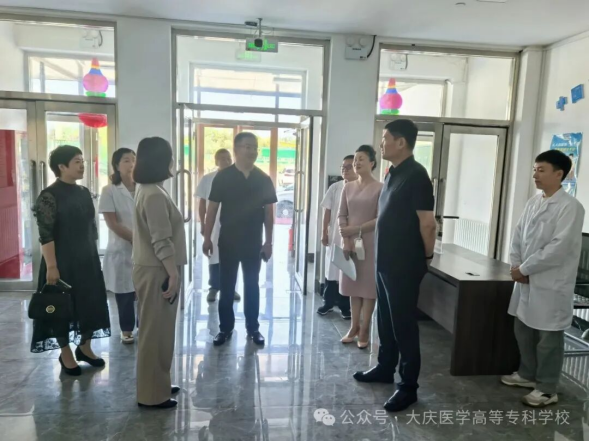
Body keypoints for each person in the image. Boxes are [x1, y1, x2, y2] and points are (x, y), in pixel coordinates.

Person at [354, 120, 436, 413]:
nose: (381, 144)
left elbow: (428, 224)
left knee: (403, 324)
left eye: (385, 138)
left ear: (401, 142)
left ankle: (408, 386)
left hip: (404, 263)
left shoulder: (417, 176)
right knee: (386, 319)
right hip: (385, 260)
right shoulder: (392, 173)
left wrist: (426, 257)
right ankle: (385, 367)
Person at [502, 150, 585, 408]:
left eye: (542, 170)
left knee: (548, 338)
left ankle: (548, 388)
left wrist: (525, 269)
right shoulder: (534, 202)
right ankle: (527, 374)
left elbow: (558, 247)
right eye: (535, 170)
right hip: (526, 278)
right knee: (523, 328)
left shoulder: (571, 207)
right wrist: (516, 265)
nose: (535, 175)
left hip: (551, 283)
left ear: (559, 174)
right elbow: (518, 235)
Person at [32, 145, 111, 375]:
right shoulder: (49, 196)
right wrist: (52, 266)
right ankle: (65, 353)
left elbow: (90, 228)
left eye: (82, 161)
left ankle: (85, 347)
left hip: (86, 259)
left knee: (89, 303)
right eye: (77, 161)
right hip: (62, 262)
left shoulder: (84, 192)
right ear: (62, 166)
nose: (82, 165)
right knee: (62, 308)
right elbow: (46, 235)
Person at [203, 132, 277, 347]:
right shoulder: (223, 177)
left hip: (253, 241)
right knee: (226, 286)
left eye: (255, 147)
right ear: (236, 149)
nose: (252, 151)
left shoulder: (263, 179)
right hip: (228, 240)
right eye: (247, 147)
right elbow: (211, 209)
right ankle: (225, 328)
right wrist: (207, 238)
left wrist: (269, 242)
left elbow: (269, 213)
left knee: (252, 285)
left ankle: (253, 328)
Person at [133, 137, 187, 409]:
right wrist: (173, 274)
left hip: (154, 267)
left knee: (159, 331)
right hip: (158, 270)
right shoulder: (153, 193)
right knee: (155, 334)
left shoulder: (149, 189)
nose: (173, 161)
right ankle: (152, 395)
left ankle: (158, 383)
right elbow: (161, 239)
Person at [338, 145, 383, 349]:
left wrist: (356, 229)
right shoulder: (348, 187)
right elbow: (342, 215)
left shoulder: (380, 188)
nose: (356, 163)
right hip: (350, 242)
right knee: (353, 286)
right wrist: (346, 239)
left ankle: (365, 328)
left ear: (372, 163)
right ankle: (354, 326)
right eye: (355, 159)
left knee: (368, 288)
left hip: (370, 242)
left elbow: (380, 218)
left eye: (361, 159)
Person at [99, 148, 137, 345]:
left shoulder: (144, 187)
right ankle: (127, 329)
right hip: (121, 248)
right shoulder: (109, 190)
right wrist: (135, 239)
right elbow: (112, 223)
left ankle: (144, 326)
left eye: (134, 160)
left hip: (146, 247)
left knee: (143, 290)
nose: (131, 164)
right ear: (116, 165)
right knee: (125, 292)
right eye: (126, 160)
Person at [196, 149, 241, 303]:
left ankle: (231, 288)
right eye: (222, 159)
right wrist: (203, 224)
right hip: (213, 224)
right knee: (213, 255)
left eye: (228, 158)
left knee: (232, 257)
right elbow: (202, 203)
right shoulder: (208, 179)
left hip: (233, 223)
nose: (226, 161)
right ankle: (214, 287)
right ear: (216, 161)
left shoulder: (238, 178)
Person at [317, 155, 357, 319]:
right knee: (331, 271)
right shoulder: (335, 187)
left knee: (346, 271)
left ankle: (345, 306)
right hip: (334, 236)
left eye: (349, 166)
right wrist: (324, 232)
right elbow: (327, 211)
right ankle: (328, 303)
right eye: (343, 167)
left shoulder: (360, 188)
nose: (344, 170)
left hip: (352, 237)